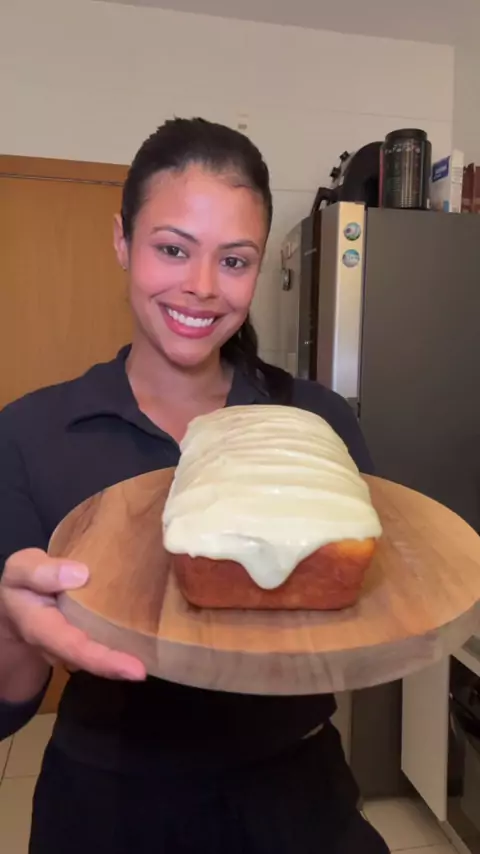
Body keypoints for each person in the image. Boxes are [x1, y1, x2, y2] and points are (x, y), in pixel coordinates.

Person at [0, 118, 389, 854]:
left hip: (299, 797)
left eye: (234, 260)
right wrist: (10, 626)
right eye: (173, 249)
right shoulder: (29, 434)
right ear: (122, 241)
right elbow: (4, 711)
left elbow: (363, 616)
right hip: (109, 807)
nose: (203, 287)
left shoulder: (313, 421)